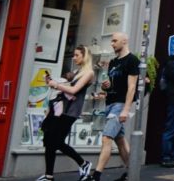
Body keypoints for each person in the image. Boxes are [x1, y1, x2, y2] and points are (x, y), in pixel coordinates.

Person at [88, 32, 138, 181]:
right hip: (109, 104)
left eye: (115, 41)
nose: (112, 43)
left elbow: (132, 87)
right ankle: (132, 173)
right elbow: (111, 85)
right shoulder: (113, 62)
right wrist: (106, 86)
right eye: (111, 41)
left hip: (120, 105)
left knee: (106, 138)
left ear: (124, 41)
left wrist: (126, 109)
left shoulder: (132, 60)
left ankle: (96, 176)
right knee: (120, 140)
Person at [40, 45, 94, 181]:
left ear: (85, 56)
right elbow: (66, 88)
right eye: (74, 55)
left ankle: (83, 163)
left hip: (70, 111)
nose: (74, 58)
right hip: (59, 109)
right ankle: (48, 176)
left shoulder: (89, 73)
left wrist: (56, 85)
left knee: (56, 141)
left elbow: (74, 90)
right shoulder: (77, 71)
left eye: (77, 55)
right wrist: (53, 82)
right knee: (49, 141)